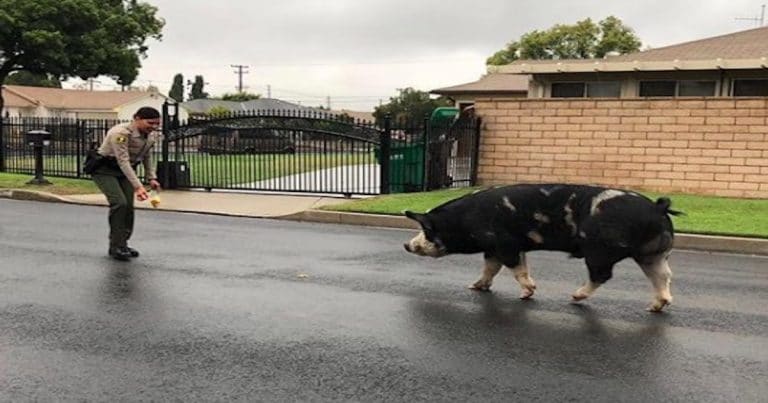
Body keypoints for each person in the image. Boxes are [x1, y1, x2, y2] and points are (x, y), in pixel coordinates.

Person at [92, 107, 163, 261]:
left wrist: (151, 177)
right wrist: (138, 186)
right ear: (136, 118)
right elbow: (122, 160)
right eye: (150, 123)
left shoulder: (150, 136)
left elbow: (147, 157)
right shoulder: (121, 133)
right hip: (105, 169)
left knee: (129, 207)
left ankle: (123, 243)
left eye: (157, 123)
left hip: (125, 171)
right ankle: (116, 246)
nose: (153, 127)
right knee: (119, 203)